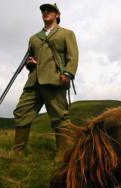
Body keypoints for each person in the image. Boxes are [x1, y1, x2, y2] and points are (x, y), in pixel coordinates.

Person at [11, 3, 78, 161]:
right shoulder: (34, 38)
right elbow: (31, 60)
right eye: (43, 10)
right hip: (34, 81)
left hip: (54, 79)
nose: (45, 12)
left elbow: (73, 57)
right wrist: (30, 63)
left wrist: (67, 74)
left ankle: (62, 156)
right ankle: (16, 154)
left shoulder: (67, 34)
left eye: (49, 10)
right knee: (21, 112)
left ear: (57, 15)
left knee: (60, 117)